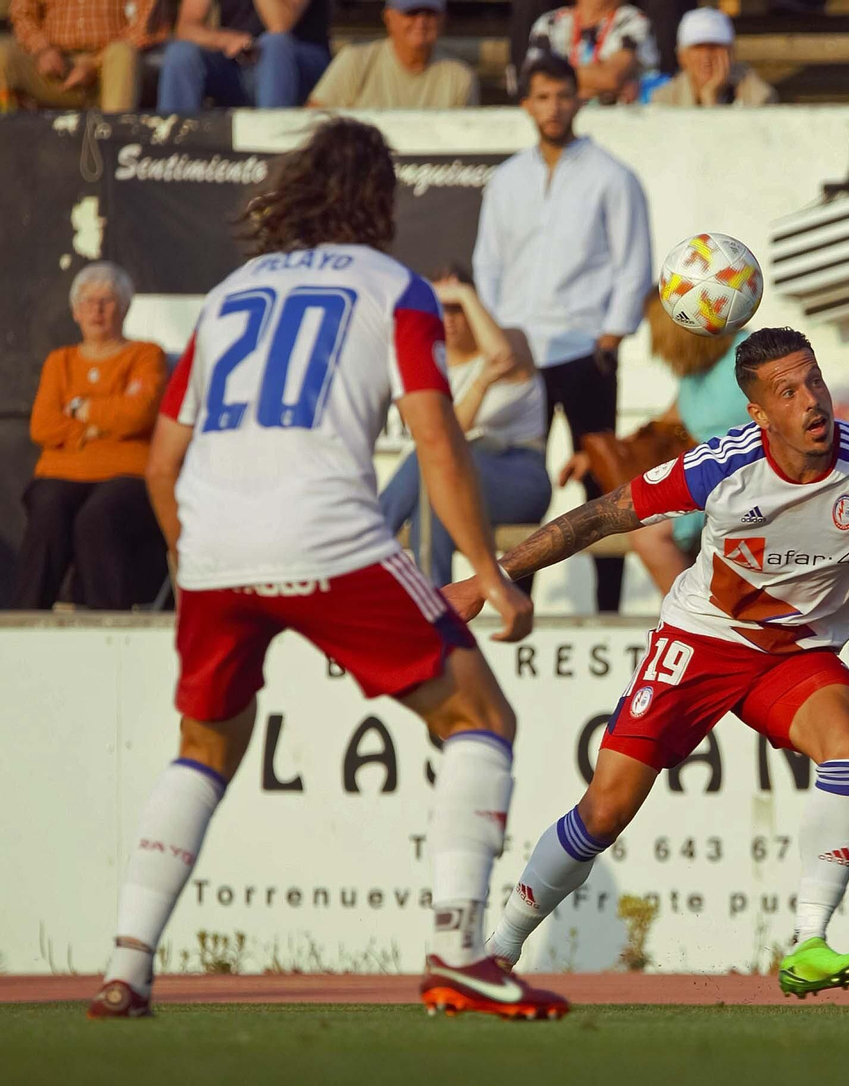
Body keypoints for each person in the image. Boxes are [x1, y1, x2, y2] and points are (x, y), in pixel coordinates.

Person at [84, 119, 561, 1021]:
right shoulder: (396, 288)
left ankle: (126, 965)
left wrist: (194, 559)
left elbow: (159, 464)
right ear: (377, 200)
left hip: (217, 547)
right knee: (480, 715)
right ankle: (460, 950)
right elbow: (435, 435)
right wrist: (488, 572)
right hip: (331, 538)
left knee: (205, 746)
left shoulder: (227, 295)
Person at [442, 326, 849, 996]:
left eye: (815, 380)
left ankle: (808, 942)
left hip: (795, 652)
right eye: (788, 392)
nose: (812, 402)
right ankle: (499, 948)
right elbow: (603, 515)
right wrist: (488, 579)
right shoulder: (724, 465)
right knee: (605, 810)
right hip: (703, 639)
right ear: (759, 414)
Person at [474, 54, 652, 614]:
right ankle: (512, 599)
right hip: (523, 356)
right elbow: (490, 266)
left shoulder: (612, 175)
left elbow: (634, 263)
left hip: (586, 352)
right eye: (542, 96)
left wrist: (610, 338)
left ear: (578, 99)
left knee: (602, 485)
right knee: (525, 480)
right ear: (526, 103)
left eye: (562, 95)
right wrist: (501, 342)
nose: (553, 107)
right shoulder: (506, 180)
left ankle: (607, 609)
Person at [561, 294, 752, 595]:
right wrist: (596, 455)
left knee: (650, 535)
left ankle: (689, 622)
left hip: (743, 484)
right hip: (706, 485)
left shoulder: (747, 356)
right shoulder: (698, 370)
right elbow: (665, 426)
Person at [379, 266, 550, 588]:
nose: (451, 318)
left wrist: (464, 293)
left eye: (458, 307)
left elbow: (500, 358)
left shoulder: (512, 339)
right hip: (456, 474)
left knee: (433, 460)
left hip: (519, 476)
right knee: (435, 485)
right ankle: (441, 604)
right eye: (441, 307)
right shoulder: (428, 359)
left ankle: (366, 547)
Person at [13, 263, 167, 610]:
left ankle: (104, 618)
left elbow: (139, 413)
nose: (97, 310)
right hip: (61, 474)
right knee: (47, 508)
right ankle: (26, 616)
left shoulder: (145, 354)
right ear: (75, 312)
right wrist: (105, 423)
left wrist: (82, 410)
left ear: (124, 307)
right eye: (88, 302)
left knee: (98, 516)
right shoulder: (60, 361)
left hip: (127, 475)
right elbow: (43, 426)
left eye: (107, 301)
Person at [157, 0, 331, 111]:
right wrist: (225, 40)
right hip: (240, 64)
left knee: (274, 45)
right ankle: (172, 151)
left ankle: (271, 146)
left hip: (297, 63)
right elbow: (186, 27)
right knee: (180, 53)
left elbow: (280, 24)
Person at [305, 0, 476, 109]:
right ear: (389, 18)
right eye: (411, 12)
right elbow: (313, 121)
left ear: (443, 19)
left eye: (430, 13)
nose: (421, 21)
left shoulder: (460, 77)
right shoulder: (354, 61)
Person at [0, 0, 156, 111]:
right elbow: (22, 13)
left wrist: (94, 63)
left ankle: (113, 141)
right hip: (56, 66)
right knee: (4, 55)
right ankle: (7, 141)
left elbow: (144, 25)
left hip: (107, 69)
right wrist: (43, 49)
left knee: (123, 53)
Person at [523, 0, 659, 104]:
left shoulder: (634, 20)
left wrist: (559, 82)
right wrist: (601, 85)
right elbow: (538, 82)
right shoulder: (549, 22)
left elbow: (610, 78)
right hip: (562, 120)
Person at [648, 7, 776, 106]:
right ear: (682, 56)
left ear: (731, 53)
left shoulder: (759, 96)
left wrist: (710, 98)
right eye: (698, 48)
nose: (706, 56)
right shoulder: (664, 100)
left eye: (714, 47)